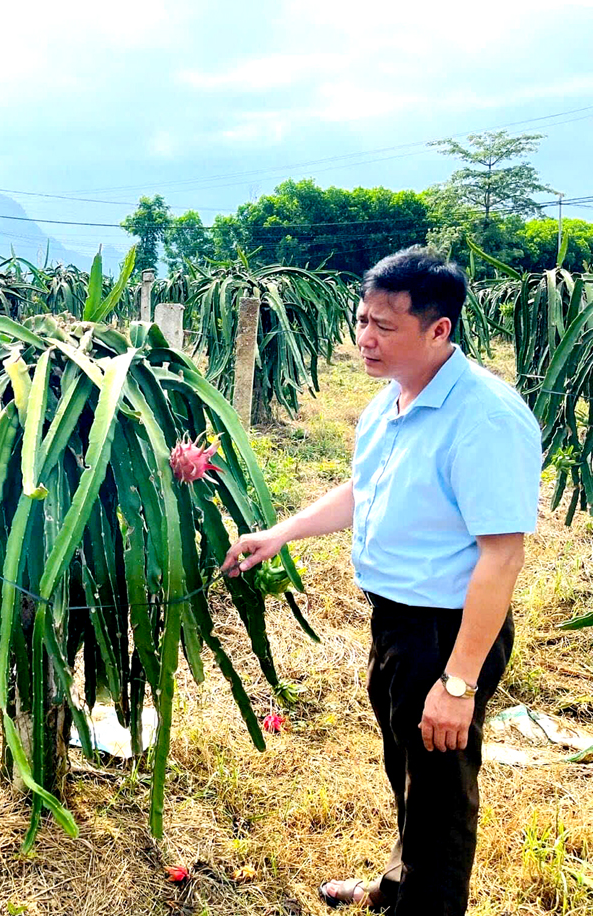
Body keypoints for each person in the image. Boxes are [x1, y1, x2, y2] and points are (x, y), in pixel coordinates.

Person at [223, 247, 541, 915]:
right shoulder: (391, 403)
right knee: (409, 770)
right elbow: (364, 491)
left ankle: (426, 902)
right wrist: (280, 533)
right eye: (362, 321)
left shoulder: (484, 418)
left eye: (384, 327)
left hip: (445, 629)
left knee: (440, 797)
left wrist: (458, 683)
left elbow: (501, 557)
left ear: (439, 330)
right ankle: (400, 887)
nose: (365, 338)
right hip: (398, 621)